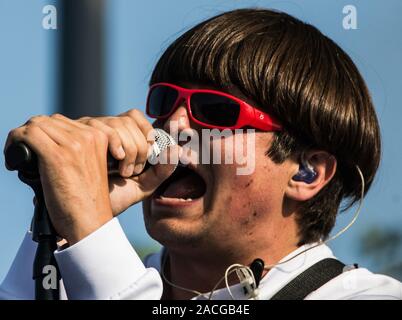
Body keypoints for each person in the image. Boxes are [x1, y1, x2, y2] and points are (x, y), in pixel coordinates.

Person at [1, 8, 401, 300]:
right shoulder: (82, 286)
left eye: (215, 111)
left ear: (306, 172)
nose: (174, 127)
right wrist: (62, 222)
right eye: (164, 101)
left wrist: (93, 232)